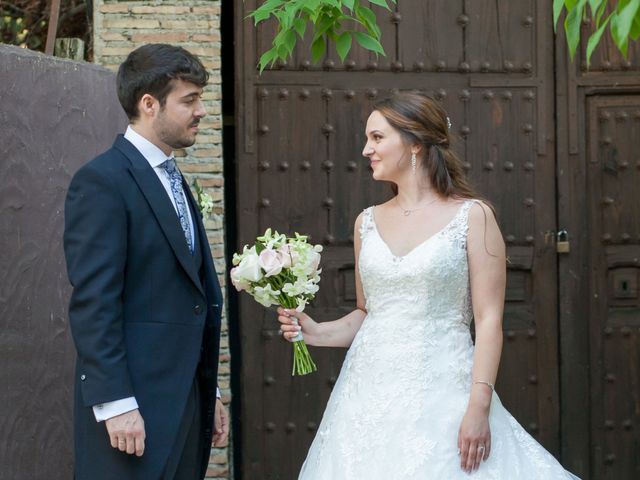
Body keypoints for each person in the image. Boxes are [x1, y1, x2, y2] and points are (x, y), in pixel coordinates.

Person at [277, 93, 579, 479]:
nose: (366, 149)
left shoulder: (473, 217)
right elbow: (369, 314)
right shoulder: (365, 222)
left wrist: (479, 406)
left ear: (415, 142)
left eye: (377, 137)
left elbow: (488, 320)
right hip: (366, 399)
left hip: (444, 395)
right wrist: (316, 331)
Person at [63, 44, 228, 480]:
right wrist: (115, 403)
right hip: (130, 410)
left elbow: (186, 295)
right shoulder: (103, 181)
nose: (202, 112)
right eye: (189, 100)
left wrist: (206, 390)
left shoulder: (173, 177)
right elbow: (94, 302)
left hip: (183, 403)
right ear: (148, 104)